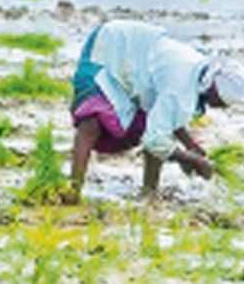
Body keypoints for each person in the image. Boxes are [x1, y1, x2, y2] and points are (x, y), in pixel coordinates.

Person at [69, 20, 244, 199]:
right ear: (212, 92)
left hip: (137, 63)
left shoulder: (196, 74)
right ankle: (73, 191)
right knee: (92, 122)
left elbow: (166, 117)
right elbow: (154, 140)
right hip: (110, 45)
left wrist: (190, 145)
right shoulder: (181, 85)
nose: (221, 107)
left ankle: (149, 193)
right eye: (222, 103)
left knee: (157, 129)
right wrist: (191, 159)